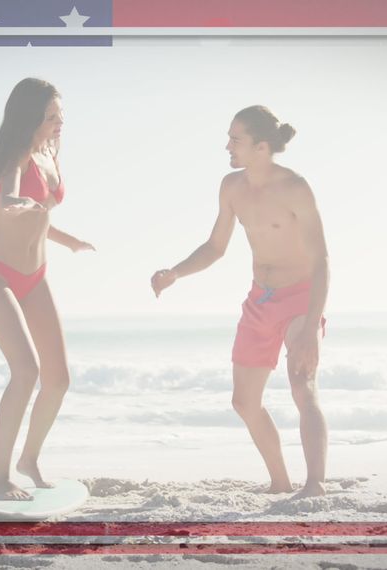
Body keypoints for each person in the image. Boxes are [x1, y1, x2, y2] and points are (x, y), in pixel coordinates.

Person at [151, 105, 330, 499]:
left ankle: (314, 483)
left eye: (235, 139)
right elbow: (216, 246)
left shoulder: (295, 187)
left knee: (303, 384)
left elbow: (321, 260)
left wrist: (312, 328)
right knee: (244, 402)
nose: (227, 146)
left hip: (300, 298)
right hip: (259, 301)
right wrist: (176, 272)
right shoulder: (231, 187)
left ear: (261, 146)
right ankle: (280, 482)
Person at [0, 78, 93, 500]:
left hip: (34, 276)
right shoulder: (18, 157)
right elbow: (9, 199)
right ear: (30, 119)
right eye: (50, 117)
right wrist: (15, 203)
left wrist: (68, 240)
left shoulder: (50, 154)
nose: (59, 123)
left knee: (58, 379)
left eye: (60, 115)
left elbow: (41, 215)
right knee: (26, 372)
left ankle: (29, 460)